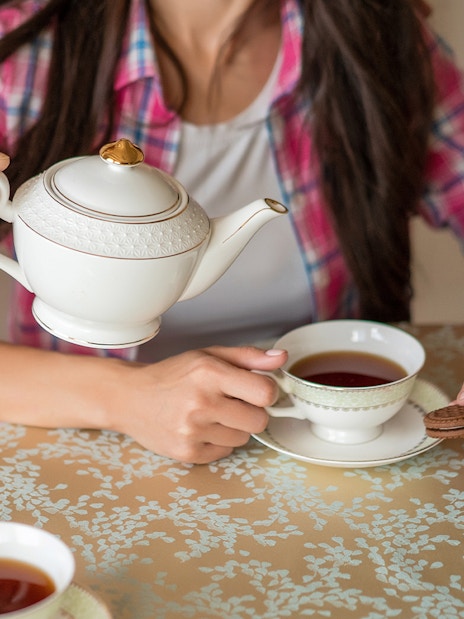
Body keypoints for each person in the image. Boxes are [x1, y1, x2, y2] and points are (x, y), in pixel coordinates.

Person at [0, 0, 463, 463]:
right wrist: (128, 399)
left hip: (332, 456)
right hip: (78, 454)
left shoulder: (380, 41)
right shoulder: (23, 58)